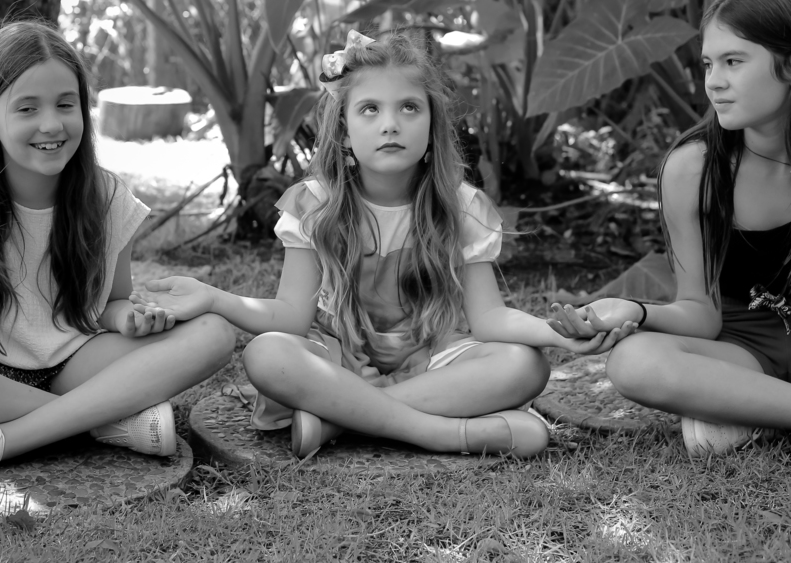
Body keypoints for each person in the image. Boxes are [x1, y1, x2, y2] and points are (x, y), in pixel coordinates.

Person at [135, 29, 632, 459]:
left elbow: (488, 319)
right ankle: (441, 432)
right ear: (344, 130)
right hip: (338, 358)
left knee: (524, 364)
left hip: (433, 356)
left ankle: (342, 419)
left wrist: (554, 333)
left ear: (433, 126)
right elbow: (289, 318)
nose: (390, 124)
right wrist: (213, 297)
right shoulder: (316, 204)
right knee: (268, 355)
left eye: (409, 108)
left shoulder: (461, 207)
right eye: (370, 109)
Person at [0, 20, 234, 483]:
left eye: (65, 104)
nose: (52, 124)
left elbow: (110, 305)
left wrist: (130, 318)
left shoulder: (108, 197)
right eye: (27, 108)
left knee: (214, 333)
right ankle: (103, 423)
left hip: (73, 362)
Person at [547, 0, 791, 456]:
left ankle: (760, 417)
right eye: (709, 64)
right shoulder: (690, 169)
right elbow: (699, 312)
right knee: (634, 361)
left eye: (734, 61)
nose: (714, 82)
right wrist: (637, 310)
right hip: (736, 347)